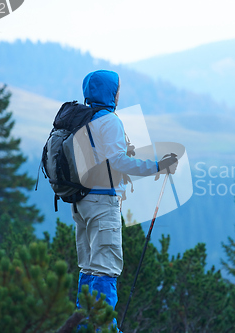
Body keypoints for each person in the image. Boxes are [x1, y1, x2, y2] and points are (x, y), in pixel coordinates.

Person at [73, 70, 177, 327]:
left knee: (88, 268)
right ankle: (105, 327)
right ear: (111, 92)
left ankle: (84, 326)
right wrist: (156, 166)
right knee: (106, 268)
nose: (119, 94)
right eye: (117, 89)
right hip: (102, 202)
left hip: (81, 202)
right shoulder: (109, 121)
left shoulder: (81, 119)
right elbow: (118, 161)